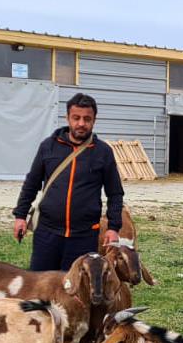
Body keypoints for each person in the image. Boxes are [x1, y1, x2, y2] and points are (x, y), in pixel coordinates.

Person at [13, 93, 124, 271]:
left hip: (84, 236)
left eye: (87, 119)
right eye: (76, 118)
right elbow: (31, 184)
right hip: (47, 234)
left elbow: (115, 193)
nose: (81, 123)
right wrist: (20, 216)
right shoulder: (48, 146)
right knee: (41, 289)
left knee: (74, 291)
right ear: (67, 118)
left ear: (94, 120)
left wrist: (113, 228)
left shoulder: (103, 152)